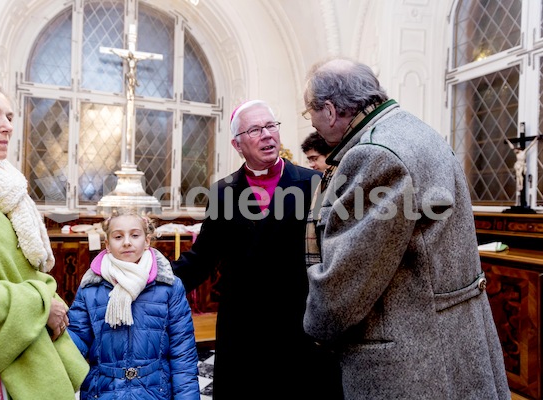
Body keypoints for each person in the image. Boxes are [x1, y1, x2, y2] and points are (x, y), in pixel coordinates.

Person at [301, 58, 511, 399]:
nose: (311, 122)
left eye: (308, 112)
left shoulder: (374, 154)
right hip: (450, 338)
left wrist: (317, 326)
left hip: (411, 355)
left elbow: (349, 280)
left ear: (328, 110)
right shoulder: (416, 131)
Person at [172, 99, 343, 399]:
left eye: (270, 126)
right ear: (237, 144)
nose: (266, 134)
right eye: (255, 130)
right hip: (244, 328)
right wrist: (151, 276)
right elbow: (202, 258)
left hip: (298, 326)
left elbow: (334, 252)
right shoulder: (224, 192)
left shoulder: (313, 183)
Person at [0, 75, 89, 399]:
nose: (7, 125)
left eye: (9, 116)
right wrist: (39, 303)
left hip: (16, 357)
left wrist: (41, 298)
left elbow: (14, 268)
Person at [67, 208, 199, 400]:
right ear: (108, 245)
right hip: (102, 391)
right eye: (118, 236)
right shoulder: (91, 287)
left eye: (135, 235)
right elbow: (75, 341)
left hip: (154, 391)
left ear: (146, 241)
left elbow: (183, 352)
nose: (127, 242)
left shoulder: (168, 286)